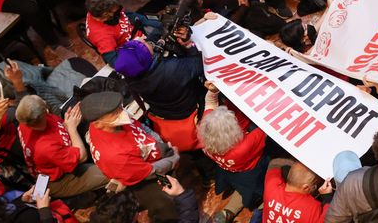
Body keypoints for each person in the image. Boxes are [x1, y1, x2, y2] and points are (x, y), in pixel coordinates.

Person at [82, 91, 181, 223]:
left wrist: (160, 144)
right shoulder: (115, 155)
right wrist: (173, 159)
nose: (122, 113)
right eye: (114, 113)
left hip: (151, 158)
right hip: (145, 177)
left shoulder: (113, 121)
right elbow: (150, 171)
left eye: (120, 107)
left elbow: (142, 128)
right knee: (167, 199)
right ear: (98, 124)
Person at [114, 32, 204, 152]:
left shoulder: (131, 75)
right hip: (189, 109)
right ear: (147, 56)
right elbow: (200, 64)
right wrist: (188, 46)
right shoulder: (172, 69)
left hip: (164, 113)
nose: (144, 39)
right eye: (146, 44)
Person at [198, 85, 269, 222]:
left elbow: (210, 103)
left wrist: (213, 90)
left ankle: (227, 213)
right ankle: (255, 204)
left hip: (227, 169)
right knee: (254, 189)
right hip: (251, 172)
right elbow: (267, 126)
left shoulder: (204, 133)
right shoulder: (244, 146)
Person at [15, 97, 108, 198]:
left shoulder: (26, 121)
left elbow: (57, 133)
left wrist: (67, 123)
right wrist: (72, 128)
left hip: (61, 159)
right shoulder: (45, 147)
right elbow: (82, 156)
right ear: (44, 112)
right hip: (60, 180)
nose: (46, 102)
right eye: (44, 105)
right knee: (111, 172)